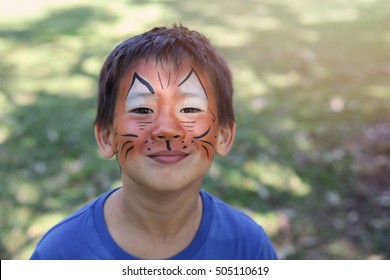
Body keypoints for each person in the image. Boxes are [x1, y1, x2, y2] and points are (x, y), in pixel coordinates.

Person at [30, 24, 278, 260]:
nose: (167, 130)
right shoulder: (61, 255)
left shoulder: (247, 247)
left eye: (190, 109)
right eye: (142, 110)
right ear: (106, 136)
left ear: (223, 135)